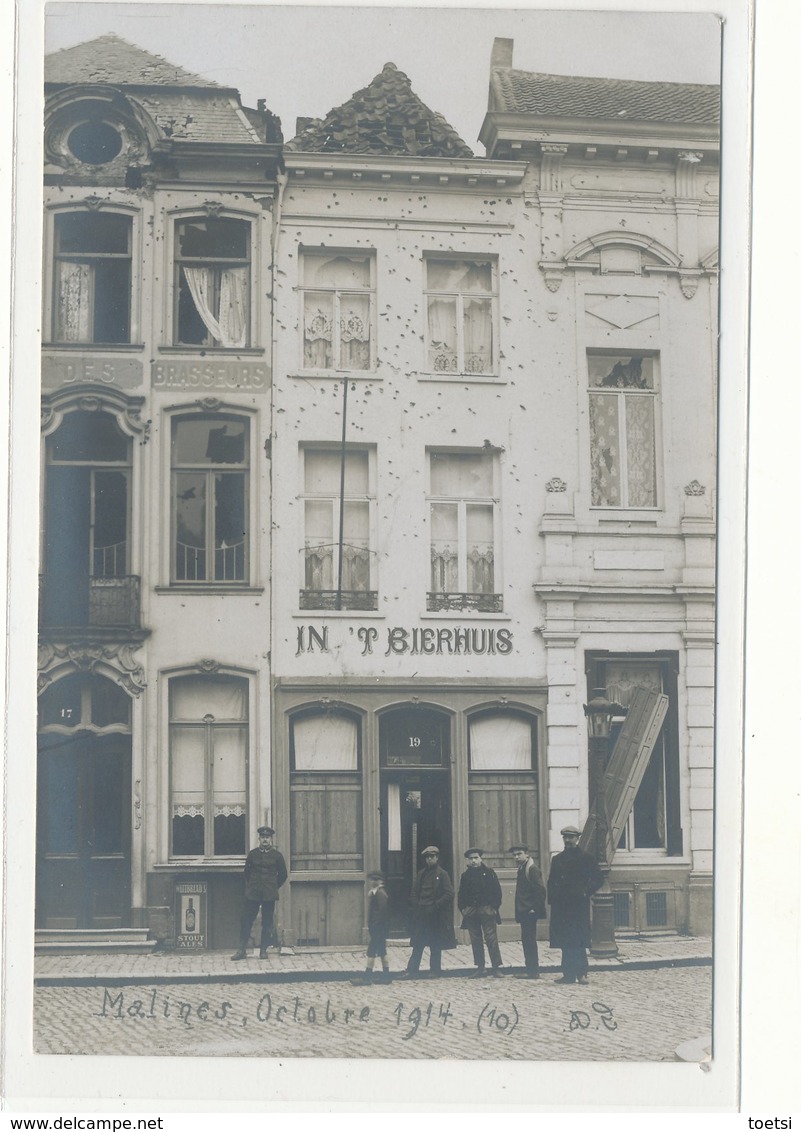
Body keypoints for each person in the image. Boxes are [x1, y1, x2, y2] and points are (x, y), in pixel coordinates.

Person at [547, 824, 603, 984]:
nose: (567, 840)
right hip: (562, 906)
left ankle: (582, 973)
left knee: (579, 939)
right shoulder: (557, 859)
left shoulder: (586, 858)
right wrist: (553, 900)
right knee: (565, 940)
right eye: (565, 837)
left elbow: (598, 878)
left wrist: (586, 892)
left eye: (571, 837)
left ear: (577, 838)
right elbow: (551, 881)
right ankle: (568, 974)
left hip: (578, 906)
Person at [230, 826, 288, 960]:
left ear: (271, 839)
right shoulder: (252, 854)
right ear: (259, 839)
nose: (265, 840)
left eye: (267, 837)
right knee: (246, 920)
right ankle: (241, 950)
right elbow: (247, 873)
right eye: (263, 837)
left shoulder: (277, 856)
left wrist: (273, 886)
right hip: (253, 893)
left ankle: (263, 950)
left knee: (267, 922)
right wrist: (252, 885)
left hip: (269, 893)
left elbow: (283, 875)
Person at [400, 846, 456, 978]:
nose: (429, 859)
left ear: (437, 858)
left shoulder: (442, 874)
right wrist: (417, 905)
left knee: (435, 943)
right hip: (422, 913)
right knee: (418, 943)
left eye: (432, 857)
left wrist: (435, 906)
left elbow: (449, 894)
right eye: (427, 857)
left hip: (435, 915)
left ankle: (435, 970)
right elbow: (414, 892)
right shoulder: (421, 874)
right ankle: (412, 970)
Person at [457, 847, 504, 977]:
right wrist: (464, 910)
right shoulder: (465, 876)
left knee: (491, 939)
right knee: (476, 940)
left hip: (487, 910)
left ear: (480, 858)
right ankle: (480, 967)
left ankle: (496, 968)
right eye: (471, 858)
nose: (473, 861)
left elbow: (497, 892)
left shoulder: (489, 873)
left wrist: (493, 907)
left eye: (476, 858)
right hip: (472, 912)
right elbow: (461, 895)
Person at [508, 844, 547, 979]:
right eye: (514, 855)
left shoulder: (532, 869)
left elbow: (541, 890)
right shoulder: (522, 868)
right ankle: (530, 969)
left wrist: (533, 908)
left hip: (529, 911)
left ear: (527, 854)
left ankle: (532, 971)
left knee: (529, 940)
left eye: (519, 854)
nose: (516, 857)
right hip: (524, 910)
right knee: (527, 940)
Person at [351, 870, 392, 986]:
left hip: (378, 928)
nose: (372, 882)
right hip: (379, 928)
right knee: (382, 951)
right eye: (371, 880)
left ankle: (367, 977)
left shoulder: (380, 894)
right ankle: (386, 976)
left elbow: (382, 913)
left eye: (374, 880)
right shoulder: (377, 893)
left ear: (380, 881)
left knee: (371, 952)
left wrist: (374, 927)